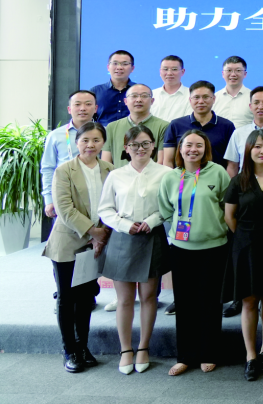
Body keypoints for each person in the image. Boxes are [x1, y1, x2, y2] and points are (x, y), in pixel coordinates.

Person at [157, 128, 231, 376]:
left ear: (205, 149)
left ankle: (209, 353)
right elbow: (166, 210)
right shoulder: (170, 177)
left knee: (209, 303)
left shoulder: (217, 172)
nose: (193, 150)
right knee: (185, 303)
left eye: (199, 145)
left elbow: (227, 206)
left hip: (214, 248)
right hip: (181, 249)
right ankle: (185, 356)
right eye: (188, 145)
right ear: (180, 149)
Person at [42, 121, 113, 373]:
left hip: (96, 243)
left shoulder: (109, 170)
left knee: (85, 298)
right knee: (66, 298)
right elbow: (64, 208)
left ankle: (83, 346)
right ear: (76, 142)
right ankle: (69, 350)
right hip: (68, 242)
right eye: (85, 140)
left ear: (103, 143)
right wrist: (93, 231)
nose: (90, 145)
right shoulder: (64, 170)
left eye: (96, 140)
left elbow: (113, 204)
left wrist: (101, 235)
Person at [99, 124, 169, 375]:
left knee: (149, 297)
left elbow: (169, 206)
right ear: (126, 148)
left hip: (152, 236)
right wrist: (124, 225)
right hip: (123, 238)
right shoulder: (116, 175)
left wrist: (152, 220)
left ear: (153, 146)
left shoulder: (165, 173)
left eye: (145, 143)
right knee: (125, 299)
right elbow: (105, 209)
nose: (140, 149)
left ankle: (144, 348)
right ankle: (126, 349)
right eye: (134, 145)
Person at [223, 129, 263, 381]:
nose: (262, 151)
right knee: (249, 301)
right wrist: (246, 237)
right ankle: (250, 356)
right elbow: (229, 217)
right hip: (245, 246)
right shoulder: (238, 180)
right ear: (248, 150)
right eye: (257, 146)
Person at [42, 91, 99, 220]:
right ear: (69, 109)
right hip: (65, 194)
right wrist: (49, 199)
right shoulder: (55, 135)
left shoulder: (104, 133)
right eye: (77, 104)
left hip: (97, 193)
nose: (82, 108)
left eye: (88, 104)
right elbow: (48, 168)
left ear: (95, 108)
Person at [161, 81, 236, 169]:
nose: (201, 101)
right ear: (190, 100)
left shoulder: (227, 126)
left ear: (214, 99)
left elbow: (231, 163)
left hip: (215, 177)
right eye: (196, 97)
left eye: (206, 97)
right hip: (182, 177)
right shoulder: (175, 125)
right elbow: (168, 161)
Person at [223, 86, 263, 176]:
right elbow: (232, 166)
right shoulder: (238, 133)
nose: (261, 107)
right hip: (245, 183)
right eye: (256, 103)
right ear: (250, 106)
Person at [101, 84, 168, 167]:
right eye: (134, 96)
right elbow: (106, 163)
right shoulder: (112, 127)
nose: (139, 100)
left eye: (144, 96)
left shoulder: (164, 126)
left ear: (152, 101)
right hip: (119, 175)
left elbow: (162, 163)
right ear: (125, 101)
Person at [90, 50, 135, 126]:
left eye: (125, 64)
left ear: (132, 68)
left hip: (133, 132)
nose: (119, 67)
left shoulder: (140, 91)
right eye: (115, 63)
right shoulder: (96, 91)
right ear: (108, 67)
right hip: (104, 132)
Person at [214, 56, 253, 127]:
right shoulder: (214, 98)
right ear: (223, 74)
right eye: (229, 70)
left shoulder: (253, 98)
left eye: (238, 70)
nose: (233, 74)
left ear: (245, 74)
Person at [150, 55, 189, 123]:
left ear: (182, 72)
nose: (169, 73)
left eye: (174, 69)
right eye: (165, 69)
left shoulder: (191, 95)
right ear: (160, 71)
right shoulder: (151, 95)